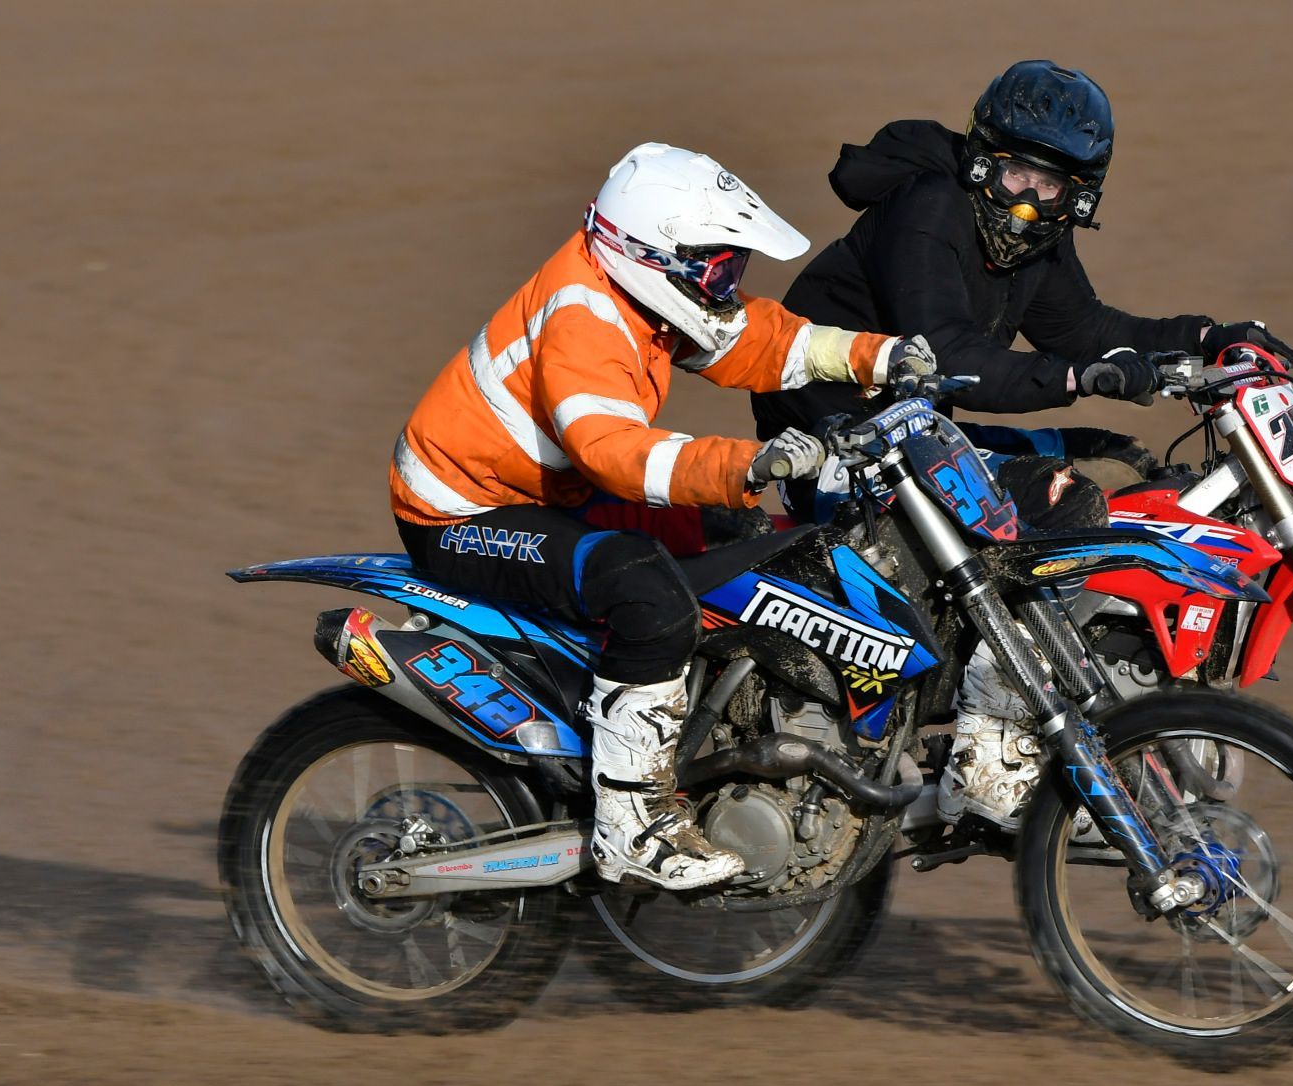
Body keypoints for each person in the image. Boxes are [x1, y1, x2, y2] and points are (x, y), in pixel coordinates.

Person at [750, 59, 1293, 831]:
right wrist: (1078, 376)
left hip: (913, 432)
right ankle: (988, 753)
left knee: (1107, 477)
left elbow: (1087, 328)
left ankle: (1024, 703)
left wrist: (1209, 339)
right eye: (1016, 174)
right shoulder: (929, 209)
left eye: (1053, 188)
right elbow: (946, 352)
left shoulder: (1039, 240)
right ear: (983, 160)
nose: (1028, 202)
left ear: (1080, 195)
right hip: (834, 442)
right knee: (1059, 502)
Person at [391, 142, 935, 890]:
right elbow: (614, 452)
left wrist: (878, 355)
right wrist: (747, 465)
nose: (728, 285)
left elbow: (756, 340)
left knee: (753, 547)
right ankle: (631, 822)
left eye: (733, 267)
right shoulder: (584, 314)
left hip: (554, 489)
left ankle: (709, 738)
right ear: (651, 255)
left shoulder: (644, 292)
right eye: (717, 269)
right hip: (465, 507)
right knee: (648, 595)